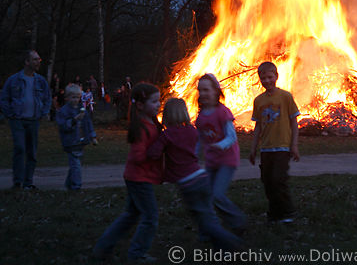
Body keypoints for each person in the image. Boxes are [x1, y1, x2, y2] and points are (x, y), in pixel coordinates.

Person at [147, 98, 243, 250]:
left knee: (203, 219)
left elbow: (153, 154)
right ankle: (218, 247)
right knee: (209, 215)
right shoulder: (193, 131)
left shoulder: (167, 135)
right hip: (202, 177)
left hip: (188, 185)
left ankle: (231, 243)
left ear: (167, 116)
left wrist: (153, 142)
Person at [93, 83, 163, 263]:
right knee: (150, 217)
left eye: (159, 101)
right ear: (140, 105)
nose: (158, 104)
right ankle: (137, 254)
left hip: (136, 177)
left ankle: (103, 248)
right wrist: (155, 150)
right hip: (139, 179)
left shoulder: (150, 123)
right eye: (154, 101)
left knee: (131, 215)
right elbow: (138, 156)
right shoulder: (141, 127)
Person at [249, 62, 300, 223]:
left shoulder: (286, 97)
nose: (267, 81)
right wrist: (253, 148)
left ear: (276, 76)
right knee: (267, 181)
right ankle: (274, 212)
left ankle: (287, 211)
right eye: (263, 78)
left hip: (282, 147)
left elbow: (294, 122)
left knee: (279, 179)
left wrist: (294, 145)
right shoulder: (259, 100)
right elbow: (257, 126)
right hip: (266, 148)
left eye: (270, 77)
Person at [195, 74, 247, 234]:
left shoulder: (223, 112)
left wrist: (220, 145)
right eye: (200, 90)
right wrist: (194, 156)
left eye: (206, 90)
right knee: (206, 196)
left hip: (227, 161)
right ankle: (210, 228)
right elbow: (200, 139)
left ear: (216, 91)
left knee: (217, 195)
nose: (203, 93)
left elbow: (231, 136)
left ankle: (238, 222)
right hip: (211, 162)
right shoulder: (201, 116)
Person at [0, 49, 51, 190]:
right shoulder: (14, 80)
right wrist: (10, 114)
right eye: (35, 59)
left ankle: (28, 182)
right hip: (18, 120)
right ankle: (18, 181)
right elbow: (4, 98)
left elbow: (47, 98)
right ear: (27, 62)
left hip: (33, 120)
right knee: (20, 148)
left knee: (32, 152)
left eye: (39, 60)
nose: (38, 62)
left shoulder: (40, 81)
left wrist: (43, 113)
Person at [56, 83, 98, 191]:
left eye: (78, 97)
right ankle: (76, 187)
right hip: (70, 142)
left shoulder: (82, 109)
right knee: (76, 165)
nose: (75, 100)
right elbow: (63, 126)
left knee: (76, 165)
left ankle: (69, 184)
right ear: (67, 98)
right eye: (73, 97)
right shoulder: (64, 111)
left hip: (81, 141)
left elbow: (88, 123)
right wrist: (74, 120)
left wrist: (93, 136)